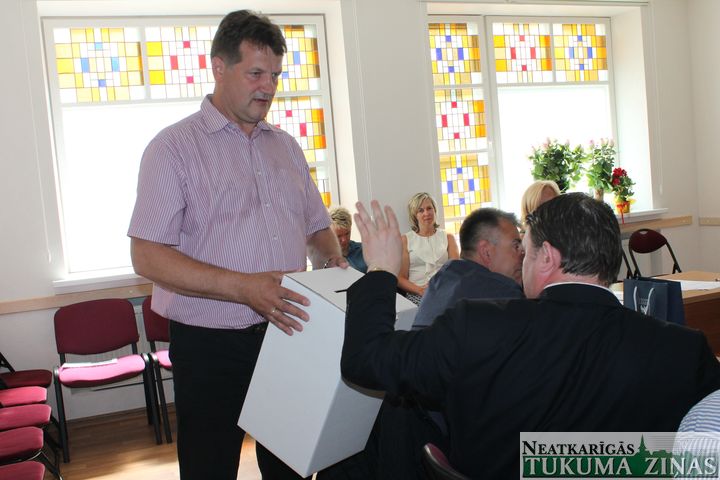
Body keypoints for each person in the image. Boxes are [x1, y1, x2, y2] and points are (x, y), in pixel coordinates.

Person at [341, 193, 720, 478]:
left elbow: (366, 358)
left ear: (547, 257)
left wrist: (381, 270)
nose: (522, 260)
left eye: (527, 250)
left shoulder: (477, 326)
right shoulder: (683, 351)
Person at [127, 10, 345, 480]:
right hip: (209, 345)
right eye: (256, 74)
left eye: (276, 76)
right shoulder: (173, 148)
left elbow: (316, 227)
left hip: (287, 334)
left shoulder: (286, 147)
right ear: (219, 68)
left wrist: (332, 261)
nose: (268, 87)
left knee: (290, 465)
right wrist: (244, 287)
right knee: (210, 468)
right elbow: (147, 255)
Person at [412, 207, 524, 330]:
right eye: (516, 246)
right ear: (486, 252)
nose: (523, 254)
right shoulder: (504, 295)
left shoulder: (440, 280)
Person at [399, 192, 459, 304]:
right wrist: (420, 290)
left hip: (445, 292)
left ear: (435, 210)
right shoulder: (406, 240)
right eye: (421, 210)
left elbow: (456, 271)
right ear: (414, 215)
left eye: (429, 208)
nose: (426, 213)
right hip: (418, 294)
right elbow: (401, 278)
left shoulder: (448, 237)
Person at [329, 206, 367, 273]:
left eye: (347, 233)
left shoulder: (364, 250)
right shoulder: (324, 259)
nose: (344, 240)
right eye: (339, 236)